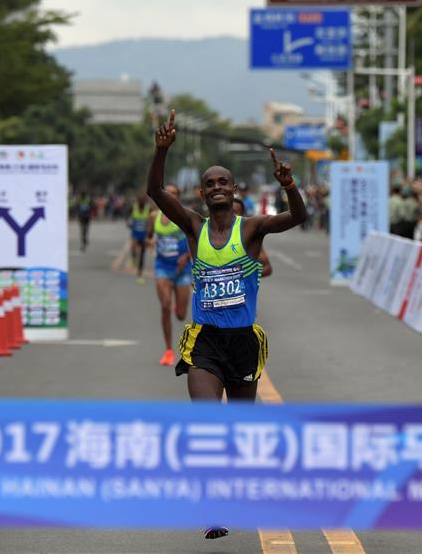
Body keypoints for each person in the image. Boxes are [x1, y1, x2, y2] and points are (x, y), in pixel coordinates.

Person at [147, 110, 306, 540]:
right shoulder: (193, 228)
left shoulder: (252, 229)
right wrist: (161, 150)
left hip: (243, 343)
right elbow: (155, 191)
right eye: (210, 183)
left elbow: (296, 218)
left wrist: (289, 186)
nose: (217, 187)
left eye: (224, 182)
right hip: (204, 341)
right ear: (201, 193)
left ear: (234, 190)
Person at [147, 184, 193, 366]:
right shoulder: (154, 217)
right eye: (168, 193)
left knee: (181, 315)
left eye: (174, 194)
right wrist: (151, 241)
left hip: (182, 270)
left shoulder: (185, 216)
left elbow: (197, 239)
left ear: (179, 197)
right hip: (162, 268)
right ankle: (168, 350)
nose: (171, 196)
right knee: (165, 306)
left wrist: (187, 256)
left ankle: (177, 306)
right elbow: (148, 236)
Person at [129, 194, 151, 284]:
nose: (141, 202)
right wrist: (128, 222)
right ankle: (133, 257)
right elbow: (127, 215)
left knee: (142, 254)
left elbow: (152, 219)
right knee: (133, 247)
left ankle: (140, 273)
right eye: (140, 200)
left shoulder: (148, 209)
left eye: (143, 201)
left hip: (144, 235)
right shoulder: (133, 207)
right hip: (135, 233)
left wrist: (150, 233)